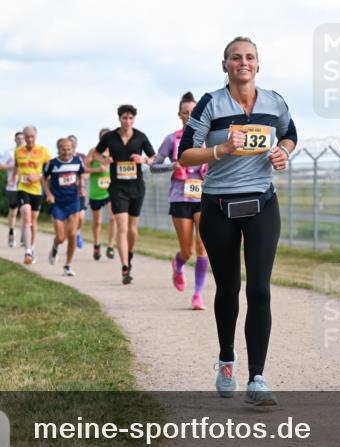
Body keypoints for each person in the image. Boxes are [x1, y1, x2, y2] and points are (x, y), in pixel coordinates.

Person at [178, 36, 297, 406]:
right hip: (218, 206)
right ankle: (226, 359)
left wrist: (282, 152)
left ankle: (257, 378)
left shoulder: (274, 101)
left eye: (249, 57)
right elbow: (185, 155)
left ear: (258, 64)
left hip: (262, 201)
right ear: (225, 64)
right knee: (228, 289)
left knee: (259, 289)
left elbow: (291, 134)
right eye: (235, 58)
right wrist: (222, 149)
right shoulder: (211, 103)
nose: (242, 63)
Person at [152, 91, 209, 310]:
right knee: (187, 250)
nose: (189, 115)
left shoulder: (208, 138)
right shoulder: (172, 139)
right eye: (185, 112)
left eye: (193, 112)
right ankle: (178, 264)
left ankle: (197, 295)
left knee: (202, 246)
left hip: (203, 195)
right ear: (180, 115)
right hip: (180, 197)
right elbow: (155, 166)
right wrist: (171, 165)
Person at [93, 105, 156, 284]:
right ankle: (125, 267)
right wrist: (104, 159)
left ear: (134, 119)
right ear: (119, 118)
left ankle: (129, 254)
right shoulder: (110, 137)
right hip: (117, 188)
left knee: (132, 229)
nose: (127, 121)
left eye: (130, 118)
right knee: (122, 227)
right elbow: (95, 154)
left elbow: (154, 158)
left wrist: (143, 159)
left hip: (136, 187)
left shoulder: (140, 137)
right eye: (124, 118)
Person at [43, 137, 85, 277]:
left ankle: (68, 265)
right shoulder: (52, 163)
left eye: (69, 149)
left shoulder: (78, 161)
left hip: (73, 201)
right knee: (61, 237)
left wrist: (82, 187)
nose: (66, 152)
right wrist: (48, 194)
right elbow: (43, 179)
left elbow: (81, 174)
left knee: (72, 234)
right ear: (59, 149)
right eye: (63, 149)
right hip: (58, 203)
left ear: (72, 149)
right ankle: (55, 247)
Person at [12, 126, 52, 265]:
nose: (29, 139)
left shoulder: (43, 151)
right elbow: (16, 165)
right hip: (23, 188)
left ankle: (32, 247)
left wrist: (39, 176)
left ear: (36, 136)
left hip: (37, 190)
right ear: (23, 136)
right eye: (27, 136)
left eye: (32, 137)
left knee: (33, 220)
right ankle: (27, 251)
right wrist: (13, 178)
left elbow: (50, 169)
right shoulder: (18, 151)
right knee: (26, 213)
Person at [85, 128, 117, 261]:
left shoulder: (114, 151)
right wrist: (97, 169)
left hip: (111, 189)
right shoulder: (93, 152)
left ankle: (110, 246)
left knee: (113, 218)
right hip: (96, 191)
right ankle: (97, 244)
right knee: (97, 221)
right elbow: (84, 168)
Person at [0, 132, 24, 247]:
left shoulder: (30, 152)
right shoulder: (9, 152)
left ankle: (24, 235)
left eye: (22, 138)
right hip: (12, 185)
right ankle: (11, 233)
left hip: (26, 185)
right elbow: (0, 166)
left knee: (25, 211)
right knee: (13, 212)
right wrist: (14, 166)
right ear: (15, 140)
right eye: (18, 138)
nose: (21, 140)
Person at [67, 134, 87, 250]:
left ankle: (78, 233)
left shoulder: (81, 157)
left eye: (74, 142)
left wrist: (83, 179)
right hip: (67, 193)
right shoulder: (63, 158)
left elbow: (86, 171)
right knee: (70, 218)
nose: (72, 144)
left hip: (80, 191)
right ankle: (71, 238)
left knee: (80, 217)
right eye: (70, 142)